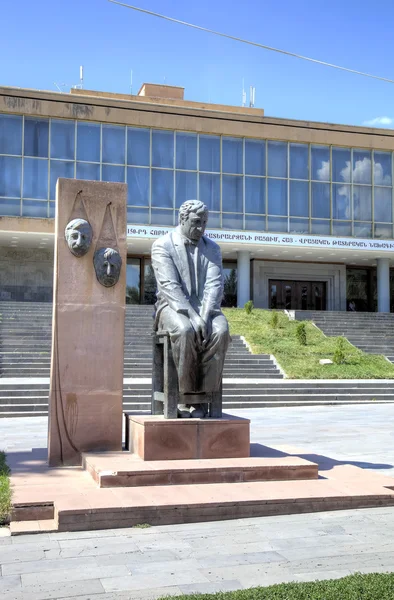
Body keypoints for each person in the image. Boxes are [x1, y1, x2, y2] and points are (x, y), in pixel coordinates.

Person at [151, 200, 230, 418]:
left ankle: (204, 397)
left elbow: (215, 284)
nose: (201, 228)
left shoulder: (213, 248)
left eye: (204, 223)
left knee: (221, 331)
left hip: (207, 309)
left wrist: (204, 315)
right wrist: (193, 316)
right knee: (185, 330)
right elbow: (169, 286)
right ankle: (183, 399)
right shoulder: (162, 245)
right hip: (171, 306)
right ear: (182, 219)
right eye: (196, 222)